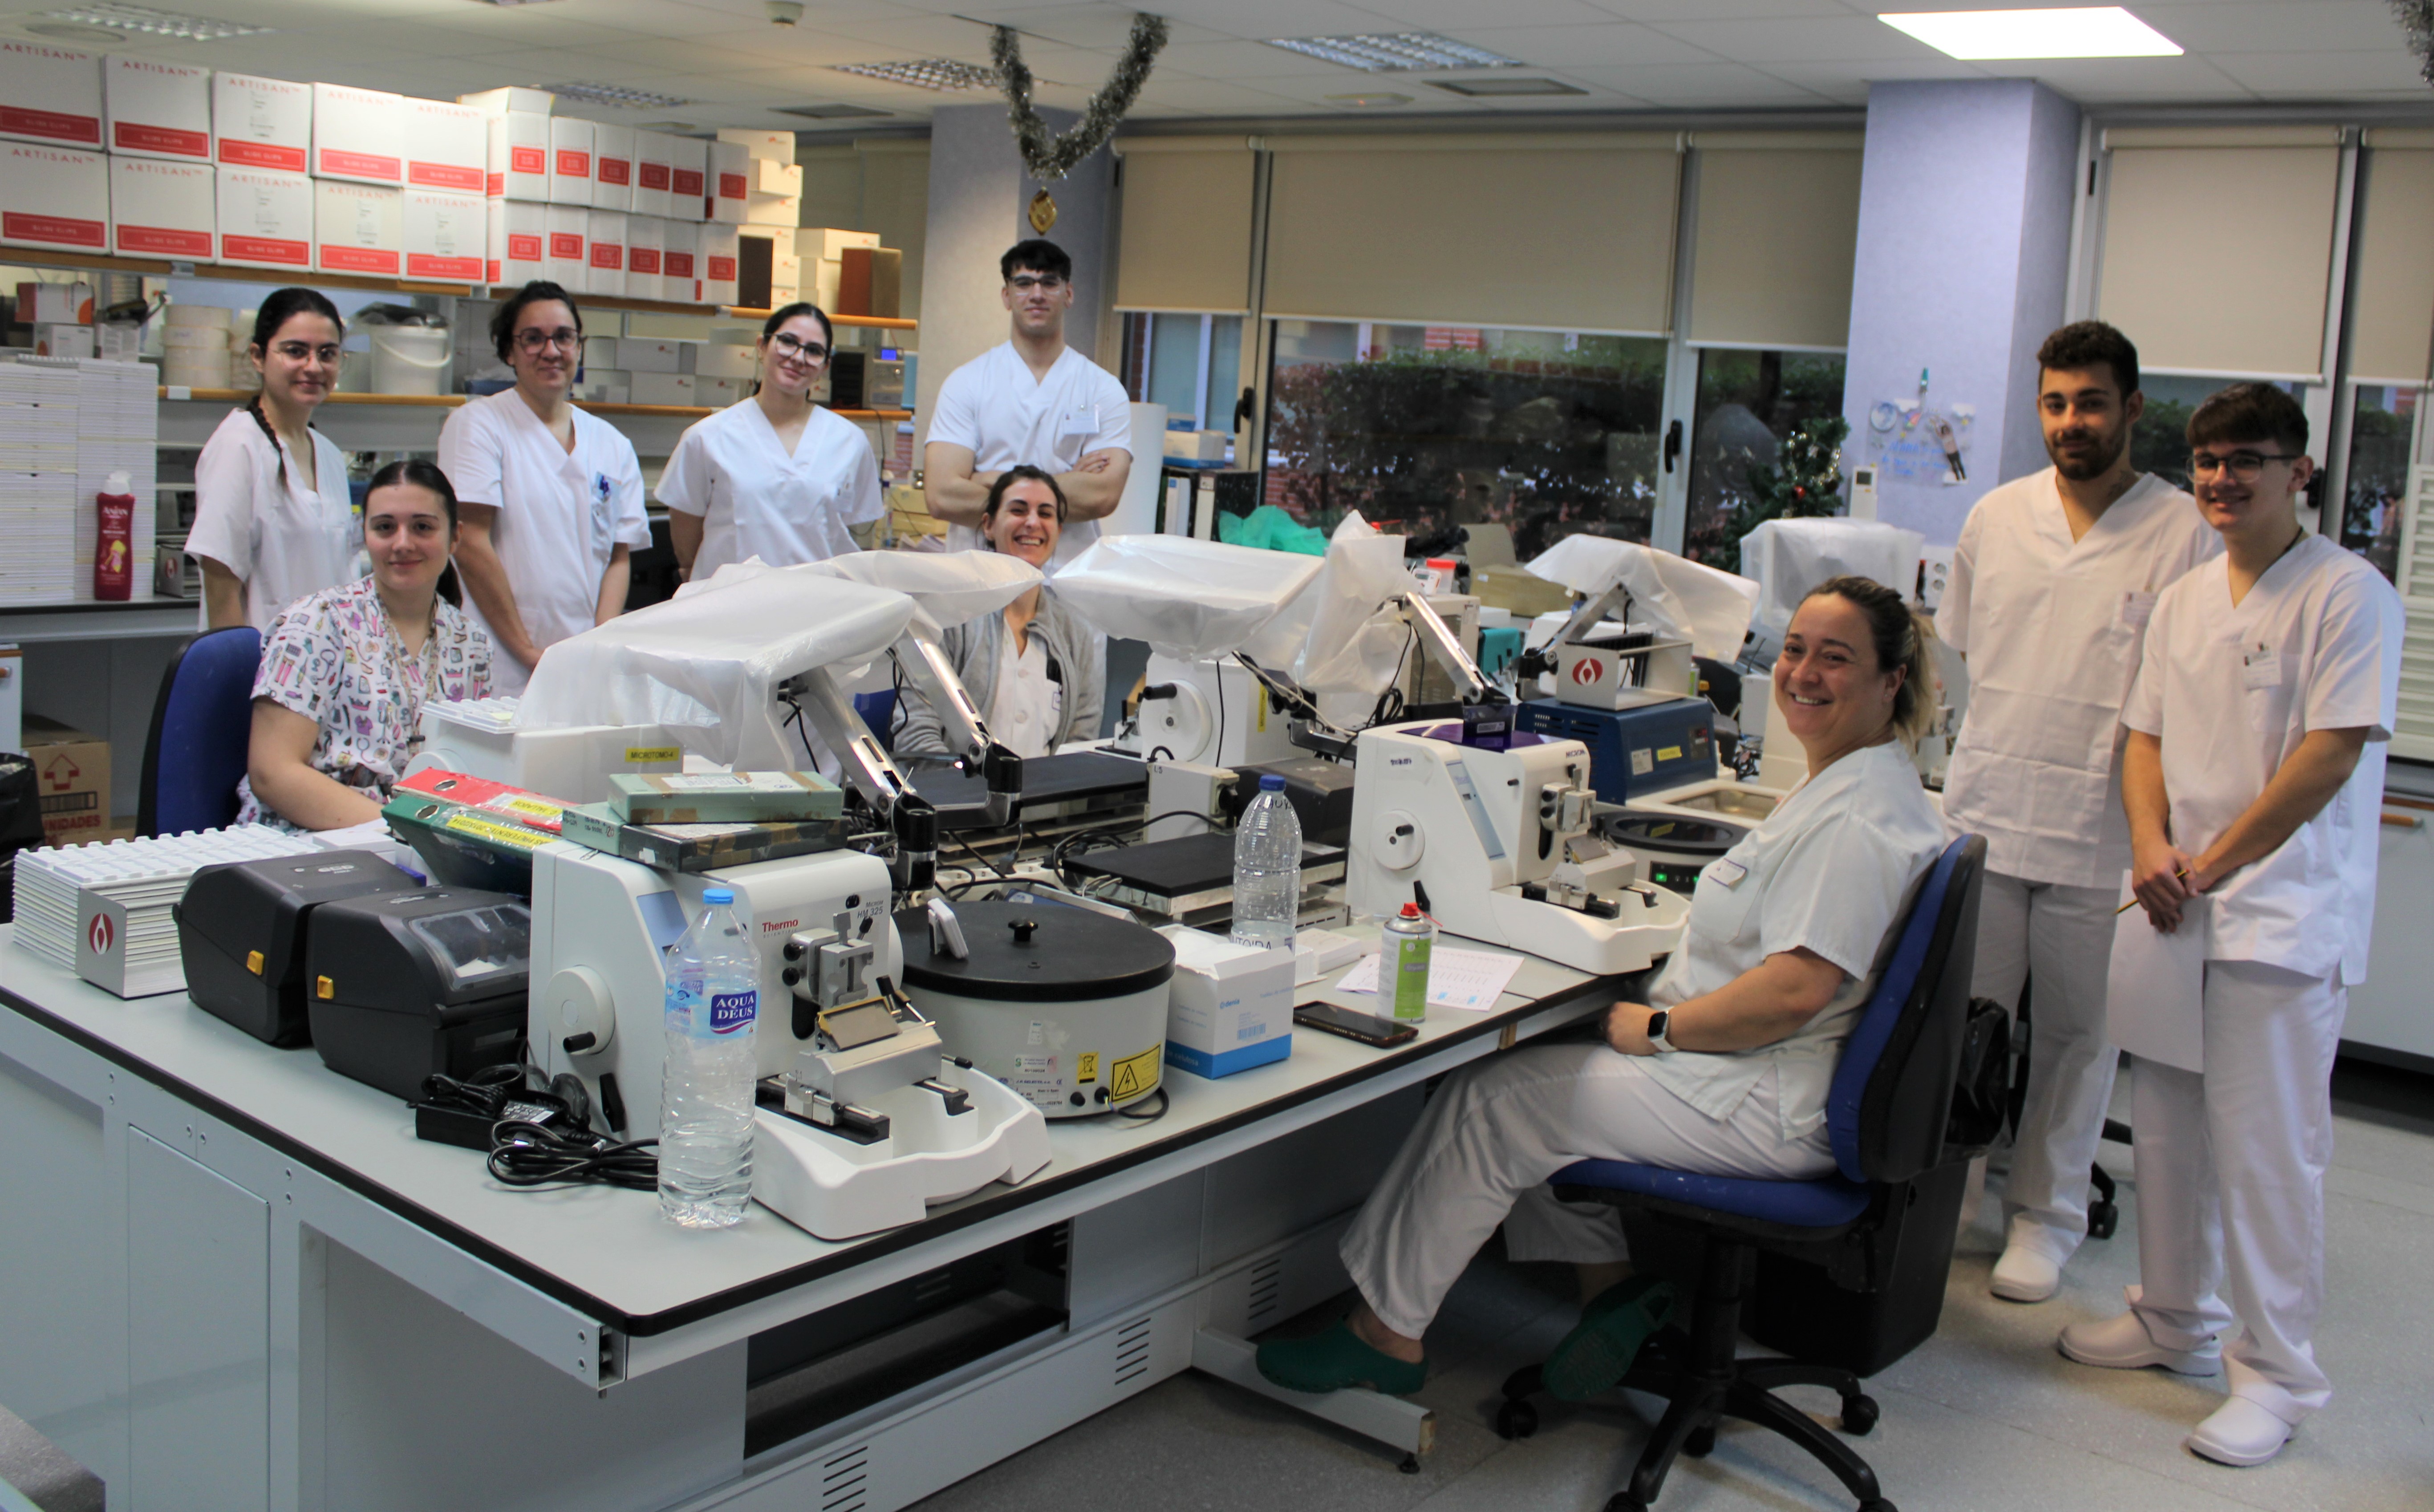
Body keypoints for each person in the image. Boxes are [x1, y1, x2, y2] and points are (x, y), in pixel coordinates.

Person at [1257, 577, 1947, 1398]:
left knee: (1495, 1101)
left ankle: (1383, 1335)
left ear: (1889, 680)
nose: (1802, 672)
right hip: (1774, 1076)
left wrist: (1660, 1028)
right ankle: (1612, 1291)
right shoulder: (1868, 781)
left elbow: (1793, 992)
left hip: (1762, 1093)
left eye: (1835, 659)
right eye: (1794, 649)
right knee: (1548, 1062)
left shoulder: (1854, 820)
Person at [2060, 384, 2402, 1468]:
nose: (2221, 478)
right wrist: (2153, 846)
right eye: (2207, 459)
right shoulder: (2187, 598)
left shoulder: (2348, 596)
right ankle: (2173, 1317)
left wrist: (2210, 862)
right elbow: (2145, 736)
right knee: (2165, 1127)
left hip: (2279, 921)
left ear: (2298, 472)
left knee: (2266, 1155)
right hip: (2175, 902)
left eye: (2247, 459)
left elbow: (2329, 754)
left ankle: (2279, 1375)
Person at [1935, 322, 2219, 1304]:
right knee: (1963, 1025)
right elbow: (1969, 650)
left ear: (2132, 409)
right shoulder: (1996, 517)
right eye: (2055, 403)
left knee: (2074, 1038)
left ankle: (2043, 1214)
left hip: (2103, 834)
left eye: (2091, 402)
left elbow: (2188, 695)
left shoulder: (2183, 531)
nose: (2071, 422)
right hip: (1987, 810)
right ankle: (1946, 1200)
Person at [239, 460, 492, 832]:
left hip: (419, 841)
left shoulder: (470, 643)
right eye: (385, 527)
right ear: (365, 534)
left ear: (455, 537)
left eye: (422, 527)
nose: (402, 543)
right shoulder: (316, 622)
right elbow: (272, 772)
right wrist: (402, 831)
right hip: (306, 839)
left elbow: (470, 769)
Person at [437, 280, 647, 695]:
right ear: (509, 351)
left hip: (584, 664)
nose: (551, 351)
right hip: (501, 659)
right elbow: (470, 541)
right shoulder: (478, 425)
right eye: (533, 339)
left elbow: (618, 555)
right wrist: (529, 652)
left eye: (564, 337)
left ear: (580, 346)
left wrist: (598, 645)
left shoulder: (612, 443)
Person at [922, 239, 1132, 570]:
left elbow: (1102, 496)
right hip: (978, 577)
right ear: (1007, 296)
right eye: (1023, 283)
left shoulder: (1102, 389)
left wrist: (985, 479)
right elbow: (941, 497)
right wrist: (1064, 482)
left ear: (1069, 294)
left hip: (1067, 578)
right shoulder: (967, 383)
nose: (1036, 294)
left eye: (1049, 283)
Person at [893, 467, 1103, 766]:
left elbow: (1082, 744)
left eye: (1046, 514)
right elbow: (916, 737)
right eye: (1018, 510)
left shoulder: (1075, 632)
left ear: (1058, 530)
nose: (1032, 522)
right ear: (989, 525)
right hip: (957, 803)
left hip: (1041, 805)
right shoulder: (949, 619)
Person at [661, 302, 882, 580]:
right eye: (788, 342)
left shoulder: (850, 441)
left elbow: (856, 534)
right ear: (762, 346)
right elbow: (686, 538)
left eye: (814, 351)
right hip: (730, 606)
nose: (799, 357)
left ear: (825, 366)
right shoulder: (707, 437)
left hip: (816, 606)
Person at [186, 289, 357, 634]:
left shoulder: (328, 454)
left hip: (326, 671)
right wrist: (243, 682)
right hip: (261, 675)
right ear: (258, 357)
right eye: (295, 351)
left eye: (327, 353)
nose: (313, 366)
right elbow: (221, 589)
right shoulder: (239, 447)